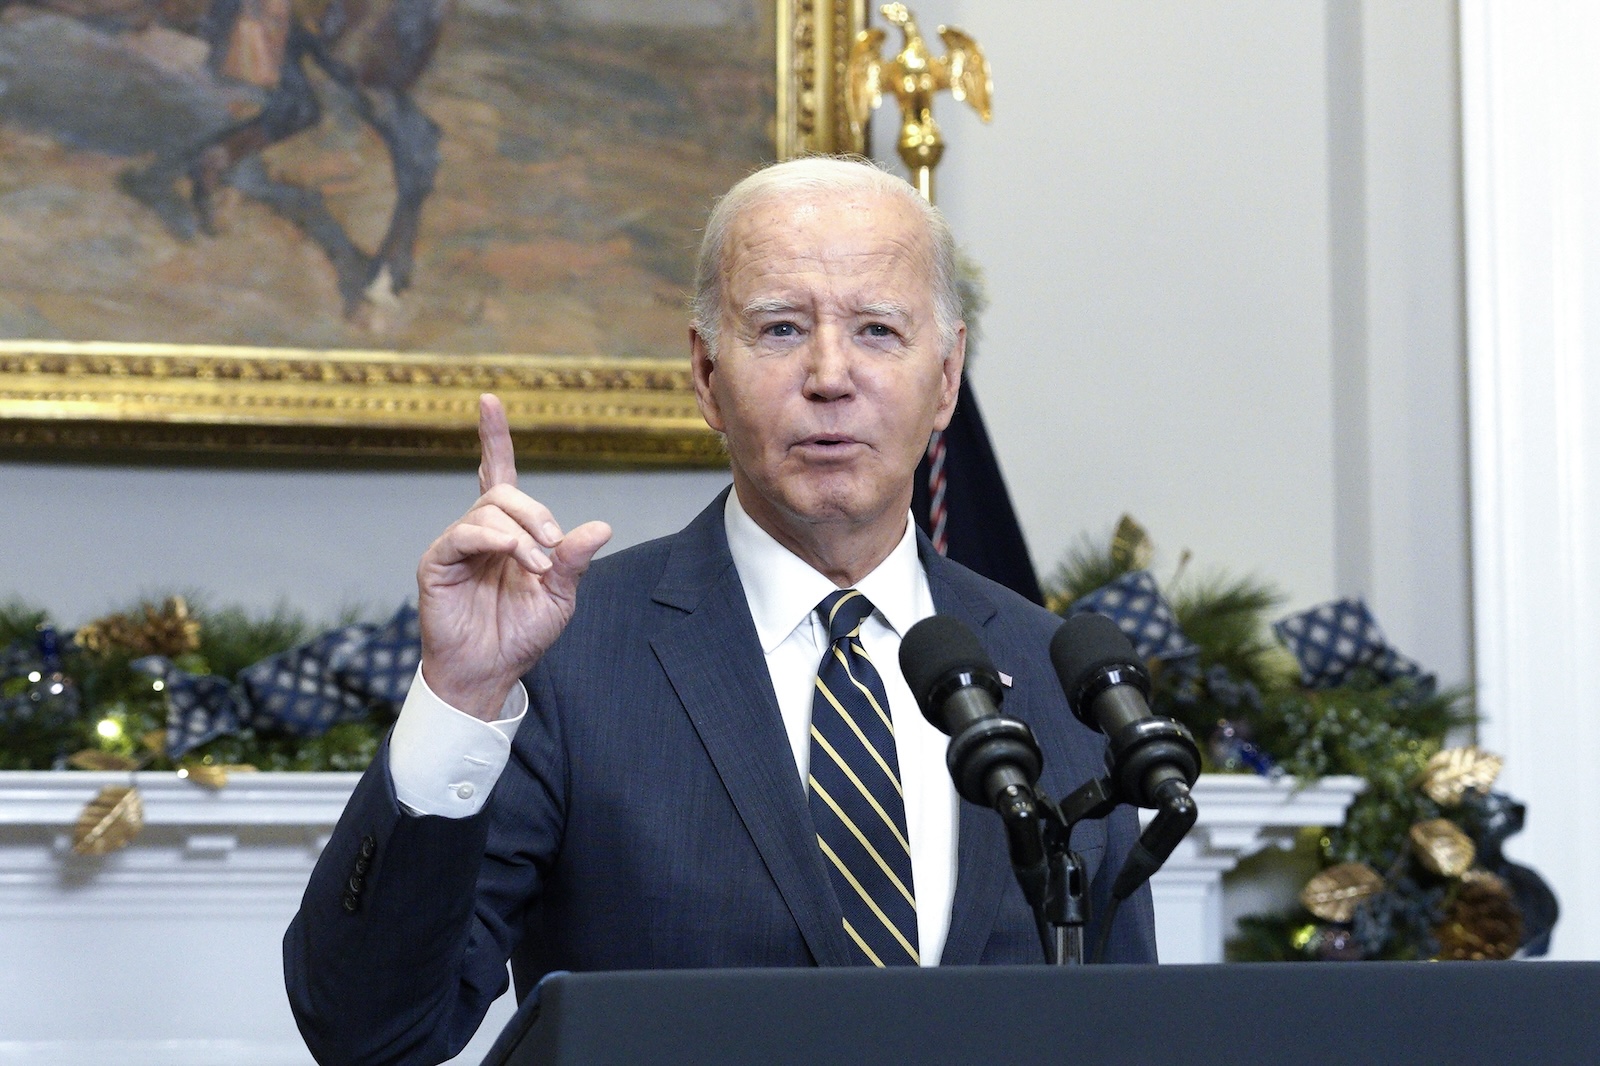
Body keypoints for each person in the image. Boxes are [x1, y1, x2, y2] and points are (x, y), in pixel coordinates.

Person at [284, 156, 1156, 1065]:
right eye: (780, 329)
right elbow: (369, 1033)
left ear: (945, 378)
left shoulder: (1056, 674)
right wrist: (460, 695)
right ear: (705, 374)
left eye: (878, 331)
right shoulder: (571, 654)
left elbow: (1124, 1034)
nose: (829, 375)